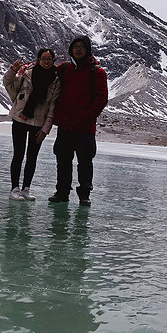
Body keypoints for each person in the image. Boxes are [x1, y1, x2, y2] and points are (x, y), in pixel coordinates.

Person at [48, 35, 108, 206]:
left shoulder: (97, 72)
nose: (78, 49)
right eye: (75, 46)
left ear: (87, 49)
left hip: (84, 128)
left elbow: (101, 99)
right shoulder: (65, 68)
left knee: (85, 162)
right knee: (63, 161)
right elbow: (47, 72)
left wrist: (85, 117)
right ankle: (62, 192)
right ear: (71, 50)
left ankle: (84, 195)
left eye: (82, 46)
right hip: (66, 126)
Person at [3, 48, 61, 201]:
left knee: (32, 157)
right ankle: (14, 188)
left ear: (53, 61)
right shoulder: (26, 73)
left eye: (49, 59)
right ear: (38, 60)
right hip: (20, 119)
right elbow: (7, 82)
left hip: (38, 123)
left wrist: (45, 130)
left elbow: (52, 107)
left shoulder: (56, 80)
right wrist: (13, 70)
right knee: (19, 154)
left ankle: (26, 188)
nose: (46, 61)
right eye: (43, 58)